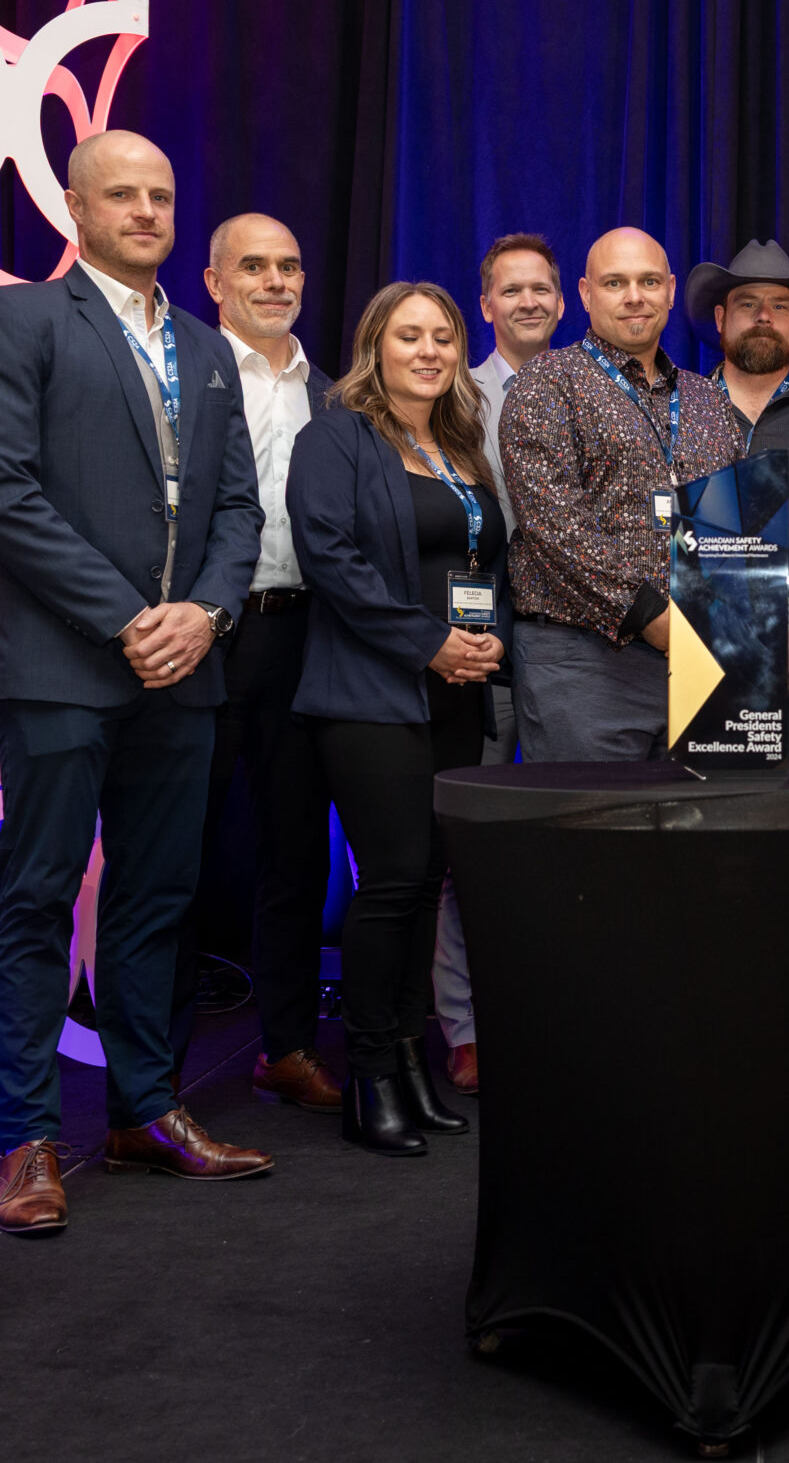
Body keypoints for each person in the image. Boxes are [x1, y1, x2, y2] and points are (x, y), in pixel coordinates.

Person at [0, 130, 271, 1236]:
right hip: (62, 667)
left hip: (184, 670)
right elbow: (0, 490)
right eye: (122, 195)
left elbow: (238, 508)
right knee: (39, 896)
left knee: (158, 900)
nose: (145, 212)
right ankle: (28, 1139)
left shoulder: (208, 346)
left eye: (161, 195)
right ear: (76, 209)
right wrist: (130, 617)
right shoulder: (16, 318)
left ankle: (143, 1111)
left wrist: (205, 614)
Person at [286, 281, 506, 1155]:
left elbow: (482, 562)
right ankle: (370, 1074)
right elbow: (330, 558)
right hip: (367, 692)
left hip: (455, 690)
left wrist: (486, 642)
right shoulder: (335, 436)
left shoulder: (457, 441)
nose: (429, 351)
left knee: (427, 881)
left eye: (442, 337)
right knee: (391, 880)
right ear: (375, 344)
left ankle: (411, 1061)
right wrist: (429, 643)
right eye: (409, 335)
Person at [163, 213, 340, 1117]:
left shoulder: (335, 394)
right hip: (200, 636)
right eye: (255, 266)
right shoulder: (180, 373)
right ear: (214, 282)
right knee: (175, 854)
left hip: (301, 636)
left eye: (290, 266)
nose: (276, 281)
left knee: (297, 852)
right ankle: (154, 1078)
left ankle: (289, 1045)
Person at [498, 227, 741, 762]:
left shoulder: (707, 399)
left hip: (699, 662)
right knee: (591, 815)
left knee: (695, 816)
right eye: (615, 283)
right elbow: (555, 527)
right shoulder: (547, 383)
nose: (635, 296)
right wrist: (651, 615)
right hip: (583, 664)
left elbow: (732, 525)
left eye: (649, 281)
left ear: (670, 291)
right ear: (586, 295)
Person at [430, 232, 565, 1096]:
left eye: (540, 288)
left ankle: (549, 1010)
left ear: (563, 299)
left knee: (556, 838)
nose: (527, 302)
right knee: (465, 845)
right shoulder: (449, 393)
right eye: (510, 290)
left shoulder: (591, 390)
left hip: (568, 646)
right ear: (485, 305)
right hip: (474, 646)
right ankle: (465, 1025)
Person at [684, 238, 789, 762]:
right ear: (720, 318)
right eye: (747, 304)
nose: (763, 316)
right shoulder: (680, 409)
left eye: (780, 305)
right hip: (706, 659)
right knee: (718, 810)